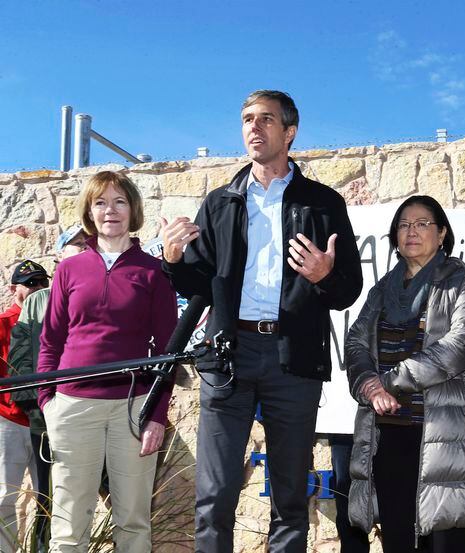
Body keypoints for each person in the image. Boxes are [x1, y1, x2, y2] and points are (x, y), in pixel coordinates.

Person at [161, 89, 362, 553]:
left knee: (291, 495)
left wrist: (324, 275)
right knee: (214, 495)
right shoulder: (220, 202)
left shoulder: (324, 203)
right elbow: (196, 282)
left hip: (293, 359)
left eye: (266, 119)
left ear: (289, 133)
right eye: (247, 118)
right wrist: (173, 259)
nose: (254, 127)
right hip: (227, 355)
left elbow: (348, 288)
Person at [37, 171, 178, 552]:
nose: (110, 210)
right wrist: (48, 403)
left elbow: (168, 352)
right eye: (100, 202)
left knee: (133, 521)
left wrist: (157, 415)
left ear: (133, 211)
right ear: (89, 212)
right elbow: (50, 341)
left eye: (119, 202)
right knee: (68, 526)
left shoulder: (154, 272)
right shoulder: (69, 269)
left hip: (132, 409)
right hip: (72, 407)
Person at [346, 195, 465, 553]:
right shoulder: (382, 291)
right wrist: (369, 385)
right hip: (389, 433)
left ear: (442, 234)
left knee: (445, 540)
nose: (412, 231)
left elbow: (461, 345)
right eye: (404, 225)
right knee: (397, 540)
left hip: (443, 433)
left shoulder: (461, 284)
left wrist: (391, 381)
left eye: (423, 223)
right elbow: (355, 343)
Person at [7, 225, 88, 550]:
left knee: (115, 495)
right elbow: (21, 358)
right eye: (75, 246)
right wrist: (39, 408)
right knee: (48, 496)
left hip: (96, 410)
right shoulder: (41, 301)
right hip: (44, 416)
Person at [0, 260, 49, 552]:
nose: (36, 289)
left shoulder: (56, 322)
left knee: (50, 496)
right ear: (13, 289)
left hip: (45, 421)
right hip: (10, 421)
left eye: (41, 282)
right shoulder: (4, 324)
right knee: (5, 494)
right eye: (29, 283)